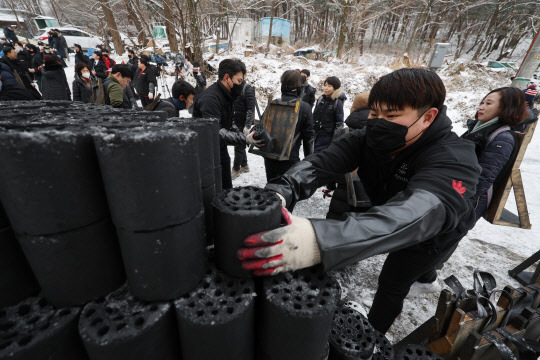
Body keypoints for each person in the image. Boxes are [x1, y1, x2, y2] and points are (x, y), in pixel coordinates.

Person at [236, 68, 482, 335]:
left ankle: (371, 338)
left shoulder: (453, 157)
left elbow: (421, 211)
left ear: (428, 117)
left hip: (430, 233)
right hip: (386, 210)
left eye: (391, 116)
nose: (378, 122)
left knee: (393, 281)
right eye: (375, 113)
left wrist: (324, 239)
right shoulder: (368, 137)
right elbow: (322, 163)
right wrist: (283, 189)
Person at [193, 58, 264, 189]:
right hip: (207, 154)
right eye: (239, 81)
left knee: (226, 186)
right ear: (227, 78)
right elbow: (215, 131)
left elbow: (229, 122)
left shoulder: (227, 95)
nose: (241, 85)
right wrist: (244, 139)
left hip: (219, 148)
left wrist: (240, 132)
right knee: (216, 190)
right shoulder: (211, 99)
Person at [461, 87, 528, 222]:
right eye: (482, 102)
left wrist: (460, 207)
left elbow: (483, 179)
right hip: (458, 193)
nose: (481, 107)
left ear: (506, 108)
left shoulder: (502, 138)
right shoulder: (478, 128)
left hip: (466, 205)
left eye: (488, 103)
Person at [325, 92, 371, 220]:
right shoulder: (383, 135)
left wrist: (330, 185)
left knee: (335, 230)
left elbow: (331, 163)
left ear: (354, 109)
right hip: (372, 197)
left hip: (343, 192)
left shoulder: (343, 133)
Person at [262, 69, 314, 182]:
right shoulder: (304, 107)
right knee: (287, 193)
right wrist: (309, 162)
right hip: (290, 159)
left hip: (270, 156)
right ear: (300, 88)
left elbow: (262, 128)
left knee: (272, 191)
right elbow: (308, 138)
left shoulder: (274, 103)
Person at [313, 76, 346, 152]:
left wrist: (334, 141)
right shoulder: (320, 100)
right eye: (325, 85)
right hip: (316, 136)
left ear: (335, 88)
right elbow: (314, 117)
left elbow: (339, 123)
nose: (326, 88)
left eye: (329, 86)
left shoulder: (337, 102)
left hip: (327, 138)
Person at [231, 80, 256, 180]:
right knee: (239, 144)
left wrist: (248, 126)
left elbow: (251, 108)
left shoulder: (248, 89)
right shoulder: (234, 87)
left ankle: (236, 169)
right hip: (236, 121)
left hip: (243, 123)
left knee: (239, 146)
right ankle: (244, 166)